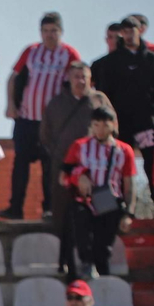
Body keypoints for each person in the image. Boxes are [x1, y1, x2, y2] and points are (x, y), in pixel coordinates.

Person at [3, 13, 82, 221]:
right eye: (45, 31)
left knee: (50, 166)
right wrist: (11, 104)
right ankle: (15, 208)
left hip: (52, 124)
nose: (49, 36)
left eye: (53, 31)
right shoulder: (31, 51)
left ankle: (49, 209)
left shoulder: (68, 54)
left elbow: (78, 80)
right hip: (27, 118)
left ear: (61, 32)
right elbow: (13, 77)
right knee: (20, 164)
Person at [42, 62, 115, 274]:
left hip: (98, 172)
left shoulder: (99, 100)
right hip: (64, 168)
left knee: (101, 218)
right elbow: (45, 134)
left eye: (84, 76)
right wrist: (60, 153)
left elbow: (113, 128)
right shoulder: (56, 103)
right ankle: (65, 263)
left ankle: (100, 266)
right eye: (76, 77)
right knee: (65, 216)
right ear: (69, 78)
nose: (80, 81)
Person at [61, 107, 137, 279]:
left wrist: (128, 213)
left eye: (104, 125)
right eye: (96, 125)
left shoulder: (124, 151)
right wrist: (79, 176)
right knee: (83, 238)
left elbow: (129, 185)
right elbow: (63, 176)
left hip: (109, 203)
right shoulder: (80, 146)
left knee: (103, 248)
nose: (100, 130)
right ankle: (85, 268)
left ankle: (104, 283)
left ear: (113, 125)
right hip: (84, 200)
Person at [94, 17, 154, 189]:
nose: (128, 36)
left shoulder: (151, 60)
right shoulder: (111, 62)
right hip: (121, 122)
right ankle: (121, 203)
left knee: (151, 159)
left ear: (139, 31)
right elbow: (105, 93)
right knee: (119, 160)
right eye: (125, 32)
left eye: (131, 31)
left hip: (145, 122)